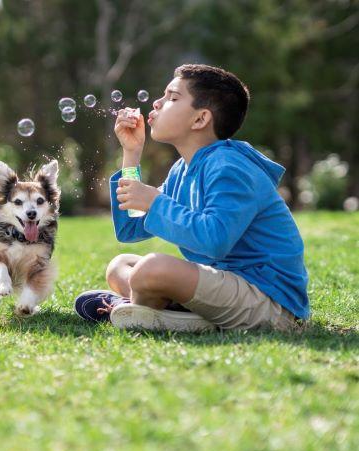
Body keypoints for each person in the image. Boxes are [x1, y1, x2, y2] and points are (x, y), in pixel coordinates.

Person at [75, 64, 309, 331]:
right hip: (224, 286)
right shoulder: (183, 169)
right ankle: (168, 314)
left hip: (269, 302)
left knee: (152, 269)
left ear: (200, 120)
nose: (158, 102)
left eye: (172, 98)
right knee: (121, 265)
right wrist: (132, 153)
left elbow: (216, 239)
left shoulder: (230, 166)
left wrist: (154, 202)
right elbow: (131, 229)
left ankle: (134, 310)